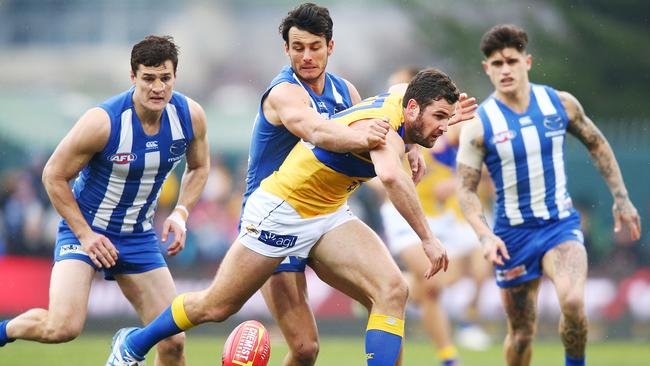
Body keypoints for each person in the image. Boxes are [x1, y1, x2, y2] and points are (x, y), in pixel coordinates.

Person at [107, 68, 477, 366]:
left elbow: (401, 94)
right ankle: (133, 343)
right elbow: (392, 177)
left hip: (329, 213)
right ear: (412, 109)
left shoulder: (403, 98)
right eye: (439, 118)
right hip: (281, 211)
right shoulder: (380, 130)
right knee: (217, 305)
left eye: (447, 118)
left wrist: (415, 144)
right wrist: (427, 238)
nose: (446, 127)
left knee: (393, 290)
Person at [0, 35, 210, 366]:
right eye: (148, 79)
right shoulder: (103, 122)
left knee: (173, 340)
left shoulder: (190, 116)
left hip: (139, 236)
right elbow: (53, 176)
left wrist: (181, 212)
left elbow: (199, 168)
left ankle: (129, 345)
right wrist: (85, 234)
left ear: (175, 77)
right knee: (62, 327)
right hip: (85, 231)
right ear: (132, 77)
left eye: (165, 78)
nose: (157, 88)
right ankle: (2, 333)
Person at [455, 24, 641, 366]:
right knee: (522, 334)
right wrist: (484, 235)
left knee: (572, 303)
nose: (505, 69)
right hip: (512, 236)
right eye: (496, 64)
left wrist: (622, 197)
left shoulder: (560, 104)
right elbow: (465, 189)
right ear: (487, 69)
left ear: (527, 61)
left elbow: (597, 144)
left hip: (559, 227)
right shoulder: (480, 124)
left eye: (511, 60)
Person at [245, 3, 404, 366]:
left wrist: (405, 150)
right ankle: (137, 341)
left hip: (325, 216)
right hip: (275, 219)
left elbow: (374, 140)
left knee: (390, 297)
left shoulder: (345, 91)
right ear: (286, 49)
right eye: (297, 48)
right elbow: (317, 132)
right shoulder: (283, 92)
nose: (306, 56)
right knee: (304, 350)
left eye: (315, 47)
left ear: (330, 46)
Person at [378, 67, 492, 366]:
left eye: (398, 86)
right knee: (434, 287)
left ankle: (383, 286)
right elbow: (378, 172)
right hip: (402, 214)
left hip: (439, 218)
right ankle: (449, 357)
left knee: (440, 282)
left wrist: (455, 181)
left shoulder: (442, 126)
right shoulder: (390, 122)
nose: (394, 94)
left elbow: (483, 159)